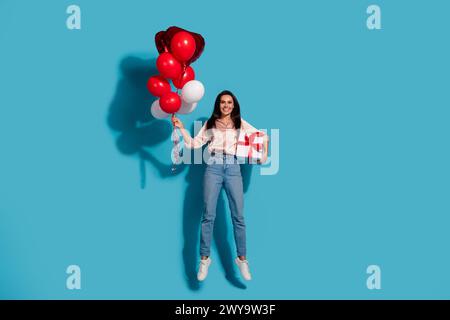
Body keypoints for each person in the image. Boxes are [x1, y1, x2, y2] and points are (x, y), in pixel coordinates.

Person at [172, 90, 269, 281]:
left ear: (234, 105)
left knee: (238, 216)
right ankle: (204, 258)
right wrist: (182, 128)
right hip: (213, 167)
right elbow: (193, 144)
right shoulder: (210, 123)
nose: (226, 105)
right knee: (208, 215)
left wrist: (264, 154)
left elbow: (262, 137)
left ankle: (242, 259)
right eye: (223, 102)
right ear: (218, 104)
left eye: (229, 102)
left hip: (233, 167)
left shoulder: (240, 123)